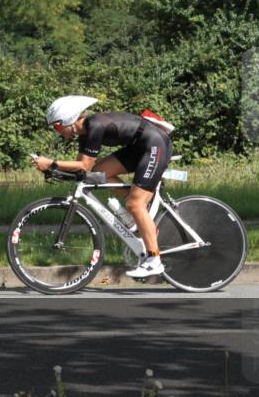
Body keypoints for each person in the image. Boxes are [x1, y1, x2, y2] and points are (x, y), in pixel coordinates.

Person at [32, 95, 172, 278]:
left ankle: (154, 261)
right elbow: (82, 170)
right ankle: (139, 217)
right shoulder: (84, 133)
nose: (56, 131)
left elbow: (83, 166)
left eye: (57, 126)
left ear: (68, 120)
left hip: (154, 145)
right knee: (99, 173)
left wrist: (51, 163)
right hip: (139, 147)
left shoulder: (95, 126)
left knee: (136, 204)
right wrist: (53, 169)